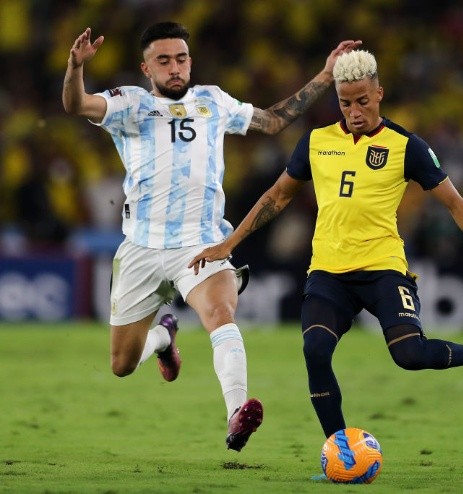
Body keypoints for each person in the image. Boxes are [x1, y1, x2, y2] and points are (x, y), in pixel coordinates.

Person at [188, 49, 463, 441]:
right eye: (345, 103)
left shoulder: (406, 146)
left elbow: (455, 203)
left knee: (410, 355)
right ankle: (340, 449)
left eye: (363, 101)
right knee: (315, 350)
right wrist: (228, 244)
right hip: (328, 273)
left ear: (379, 94)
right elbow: (278, 196)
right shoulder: (316, 142)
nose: (354, 111)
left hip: (383, 268)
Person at [62, 21, 361, 452]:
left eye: (181, 58)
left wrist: (326, 74)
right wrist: (76, 67)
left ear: (190, 61)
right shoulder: (129, 103)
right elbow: (75, 104)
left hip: (202, 243)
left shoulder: (214, 101)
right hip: (142, 246)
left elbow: (273, 121)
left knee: (221, 313)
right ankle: (163, 338)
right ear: (146, 68)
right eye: (164, 60)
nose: (175, 67)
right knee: (122, 364)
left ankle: (237, 412)